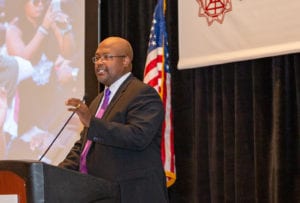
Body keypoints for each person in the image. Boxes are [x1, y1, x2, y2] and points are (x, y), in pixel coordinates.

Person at [59, 36, 169, 202]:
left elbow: (138, 136)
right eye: (97, 58)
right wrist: (51, 173)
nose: (99, 62)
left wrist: (92, 123)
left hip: (133, 194)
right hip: (101, 194)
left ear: (125, 60)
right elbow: (85, 146)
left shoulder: (143, 94)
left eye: (106, 57)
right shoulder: (98, 100)